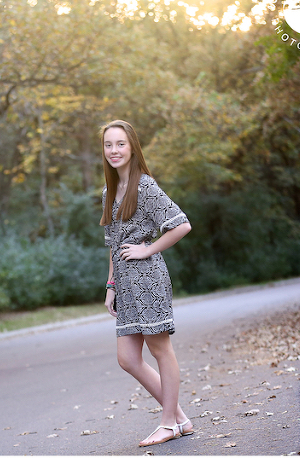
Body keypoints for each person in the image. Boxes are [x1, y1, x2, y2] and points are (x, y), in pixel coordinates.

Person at [99, 120, 193, 447]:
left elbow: (181, 225)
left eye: (120, 144)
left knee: (160, 349)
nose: (114, 150)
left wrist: (147, 249)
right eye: (108, 145)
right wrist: (110, 285)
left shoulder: (145, 186)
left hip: (148, 279)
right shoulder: (109, 191)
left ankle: (168, 422)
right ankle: (179, 416)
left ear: (132, 147)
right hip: (124, 285)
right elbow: (113, 244)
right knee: (127, 358)